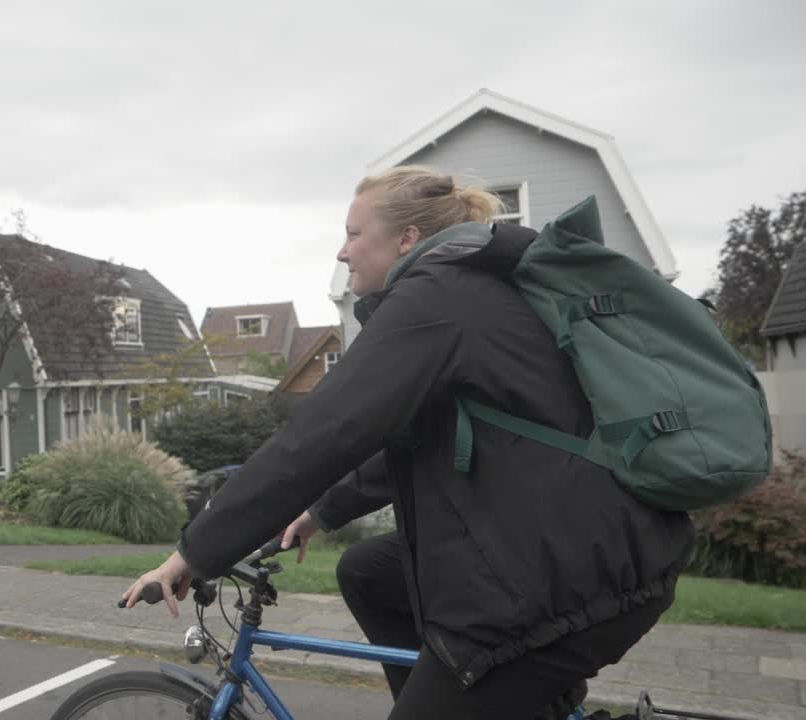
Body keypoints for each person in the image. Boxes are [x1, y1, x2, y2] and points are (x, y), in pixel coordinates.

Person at [121, 166, 694, 720]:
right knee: (368, 570)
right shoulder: (461, 294)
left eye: (353, 234)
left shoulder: (436, 299)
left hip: (572, 570)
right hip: (574, 541)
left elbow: (318, 436)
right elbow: (406, 438)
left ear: (406, 238)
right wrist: (321, 513)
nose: (342, 252)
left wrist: (194, 553)